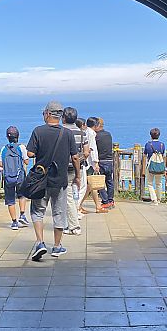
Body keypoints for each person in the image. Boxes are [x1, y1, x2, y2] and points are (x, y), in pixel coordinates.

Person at [26, 101, 80, 261]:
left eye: (44, 112)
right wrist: (77, 176)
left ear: (48, 114)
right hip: (60, 180)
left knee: (37, 212)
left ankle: (40, 243)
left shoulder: (38, 131)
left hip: (40, 180)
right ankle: (57, 246)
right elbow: (75, 157)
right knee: (59, 212)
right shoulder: (67, 134)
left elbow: (29, 153)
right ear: (60, 116)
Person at [62, 107, 89, 236]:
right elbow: (86, 152)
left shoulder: (61, 132)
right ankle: (71, 221)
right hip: (77, 168)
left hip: (62, 168)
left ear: (63, 118)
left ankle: (73, 226)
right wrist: (78, 159)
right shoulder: (82, 133)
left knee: (67, 197)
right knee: (73, 194)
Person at [0, 126, 30, 230]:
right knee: (22, 195)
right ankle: (22, 215)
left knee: (10, 200)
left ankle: (14, 222)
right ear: (18, 136)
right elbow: (26, 161)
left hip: (8, 177)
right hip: (19, 176)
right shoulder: (21, 147)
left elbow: (1, 163)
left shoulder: (4, 148)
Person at [78, 117, 107, 214]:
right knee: (90, 185)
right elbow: (93, 149)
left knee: (91, 185)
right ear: (96, 125)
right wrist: (96, 163)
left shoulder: (86, 132)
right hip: (89, 163)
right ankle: (79, 205)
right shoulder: (91, 134)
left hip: (86, 162)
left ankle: (94, 206)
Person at [141, 127, 166, 205]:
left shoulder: (148, 144)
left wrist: (143, 169)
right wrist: (165, 168)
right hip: (160, 166)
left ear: (151, 135)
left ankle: (154, 199)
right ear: (159, 135)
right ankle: (159, 199)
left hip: (150, 166)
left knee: (150, 183)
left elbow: (145, 156)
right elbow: (163, 156)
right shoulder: (162, 145)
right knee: (159, 183)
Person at [95, 117, 115, 208]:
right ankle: (111, 200)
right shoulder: (108, 134)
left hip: (101, 161)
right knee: (109, 181)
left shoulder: (96, 136)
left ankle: (105, 200)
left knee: (100, 182)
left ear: (97, 125)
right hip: (109, 160)